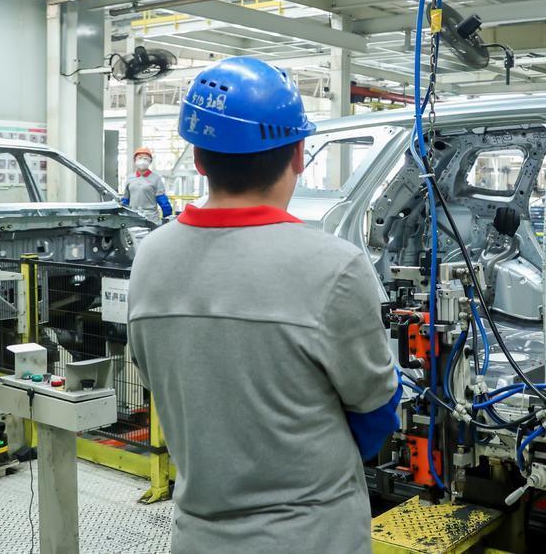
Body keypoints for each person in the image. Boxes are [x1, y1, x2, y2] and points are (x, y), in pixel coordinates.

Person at [127, 56, 401, 554]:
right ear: (298, 153)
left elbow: (164, 381)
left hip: (198, 536)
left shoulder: (150, 258)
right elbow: (376, 412)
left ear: (200, 160)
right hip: (314, 537)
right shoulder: (333, 267)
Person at [121, 147, 172, 224]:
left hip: (151, 219)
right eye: (140, 158)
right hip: (133, 218)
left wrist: (167, 217)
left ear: (150, 161)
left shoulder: (156, 178)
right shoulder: (130, 178)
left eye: (145, 158)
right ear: (135, 160)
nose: (142, 161)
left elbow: (162, 200)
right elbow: (125, 200)